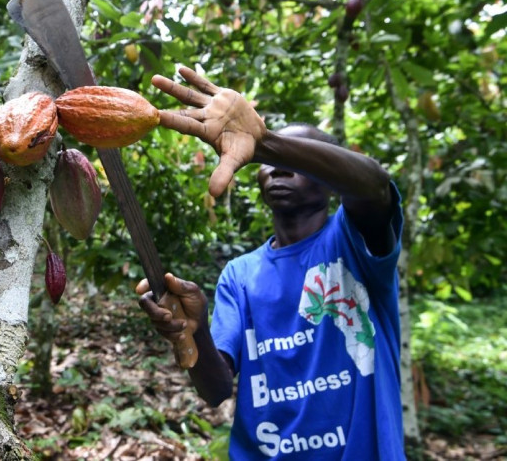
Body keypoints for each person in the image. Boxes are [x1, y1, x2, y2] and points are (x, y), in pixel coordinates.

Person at [136, 66, 406, 460]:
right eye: (266, 160)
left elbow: (374, 185)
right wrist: (192, 334)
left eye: (296, 159)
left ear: (330, 178)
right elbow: (215, 390)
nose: (277, 166)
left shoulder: (353, 239)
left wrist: (265, 141)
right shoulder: (240, 274)